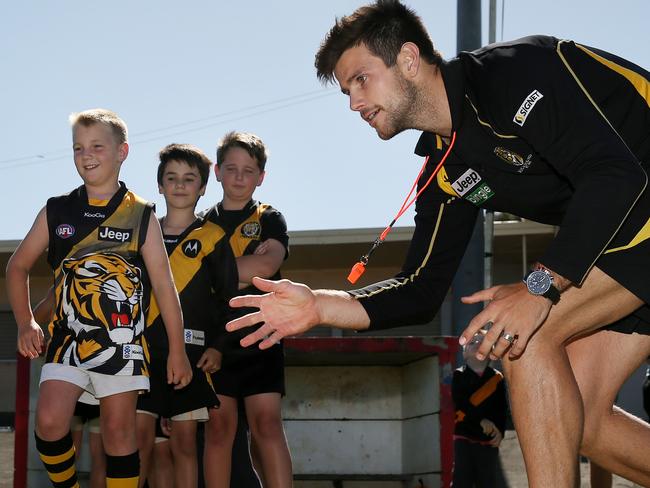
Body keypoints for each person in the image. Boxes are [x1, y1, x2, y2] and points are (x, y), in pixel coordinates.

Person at [225, 2, 650, 486]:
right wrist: (320, 306)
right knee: (585, 422)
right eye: (346, 92)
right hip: (625, 236)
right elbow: (421, 289)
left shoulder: (513, 73)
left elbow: (616, 176)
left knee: (522, 336)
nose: (353, 104)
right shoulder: (446, 171)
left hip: (637, 202)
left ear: (408, 60)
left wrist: (539, 286)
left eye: (361, 80)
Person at [6, 108, 192, 488]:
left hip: (123, 343)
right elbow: (17, 267)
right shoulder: (57, 209)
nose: (86, 155)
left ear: (122, 151)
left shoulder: (142, 215)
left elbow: (164, 287)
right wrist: (26, 320)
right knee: (50, 422)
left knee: (118, 433)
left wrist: (177, 350)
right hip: (67, 340)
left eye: (96, 146)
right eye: (78, 148)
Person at [136, 143, 238, 488]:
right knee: (134, 446)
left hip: (191, 357)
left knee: (184, 446)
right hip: (140, 355)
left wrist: (219, 347)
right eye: (172, 177)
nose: (180, 185)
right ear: (160, 185)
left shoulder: (213, 238)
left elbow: (228, 299)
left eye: (189, 179)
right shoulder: (139, 234)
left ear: (204, 187)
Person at [203, 131, 292, 488]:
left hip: (262, 332)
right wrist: (241, 268)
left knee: (266, 424)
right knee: (219, 428)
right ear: (217, 171)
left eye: (249, 170)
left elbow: (267, 267)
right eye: (231, 168)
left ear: (261, 177)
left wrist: (211, 271)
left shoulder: (270, 218)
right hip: (214, 340)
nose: (239, 177)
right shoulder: (201, 222)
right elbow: (190, 280)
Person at [452, 334, 507, 487]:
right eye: (472, 343)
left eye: (482, 342)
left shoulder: (497, 378)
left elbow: (501, 409)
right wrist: (481, 420)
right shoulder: (459, 375)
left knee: (487, 481)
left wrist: (500, 432)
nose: (477, 344)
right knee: (462, 480)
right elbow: (461, 404)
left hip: (487, 440)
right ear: (464, 354)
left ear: (491, 352)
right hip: (464, 436)